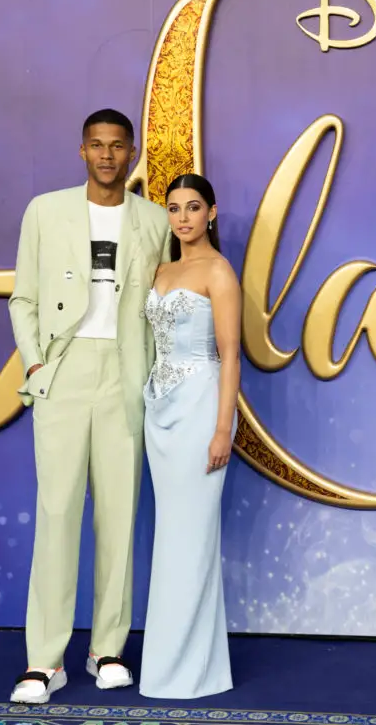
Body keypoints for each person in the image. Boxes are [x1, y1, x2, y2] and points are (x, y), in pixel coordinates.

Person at [7, 108, 170, 703]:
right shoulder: (45, 211)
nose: (106, 155)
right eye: (97, 145)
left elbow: (161, 306)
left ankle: (108, 650)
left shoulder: (155, 219)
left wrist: (154, 377)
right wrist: (35, 365)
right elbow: (23, 297)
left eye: (117, 145)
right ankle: (44, 660)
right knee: (56, 514)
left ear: (132, 152)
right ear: (82, 151)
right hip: (64, 370)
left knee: (119, 519)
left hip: (125, 372)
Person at [140, 173, 241, 699]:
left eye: (193, 207)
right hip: (159, 409)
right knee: (171, 537)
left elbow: (230, 355)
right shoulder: (161, 269)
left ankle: (191, 672)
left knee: (193, 538)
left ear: (211, 213)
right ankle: (174, 665)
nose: (183, 217)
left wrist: (223, 429)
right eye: (174, 208)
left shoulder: (219, 271)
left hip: (202, 410)